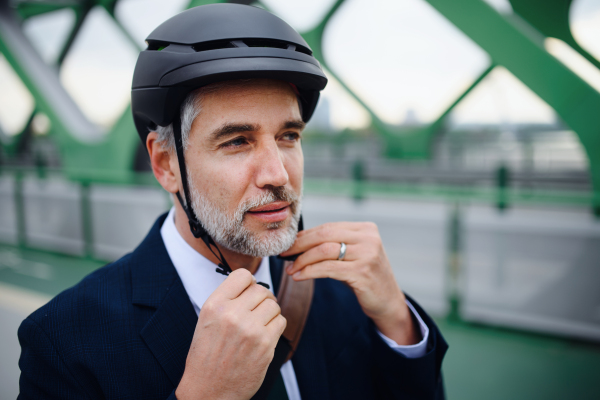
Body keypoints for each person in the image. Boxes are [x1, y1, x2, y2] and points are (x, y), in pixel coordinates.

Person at [17, 4, 447, 400]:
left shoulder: (342, 291)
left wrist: (397, 322)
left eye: (288, 137)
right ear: (166, 164)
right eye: (238, 141)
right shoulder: (64, 340)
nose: (278, 174)